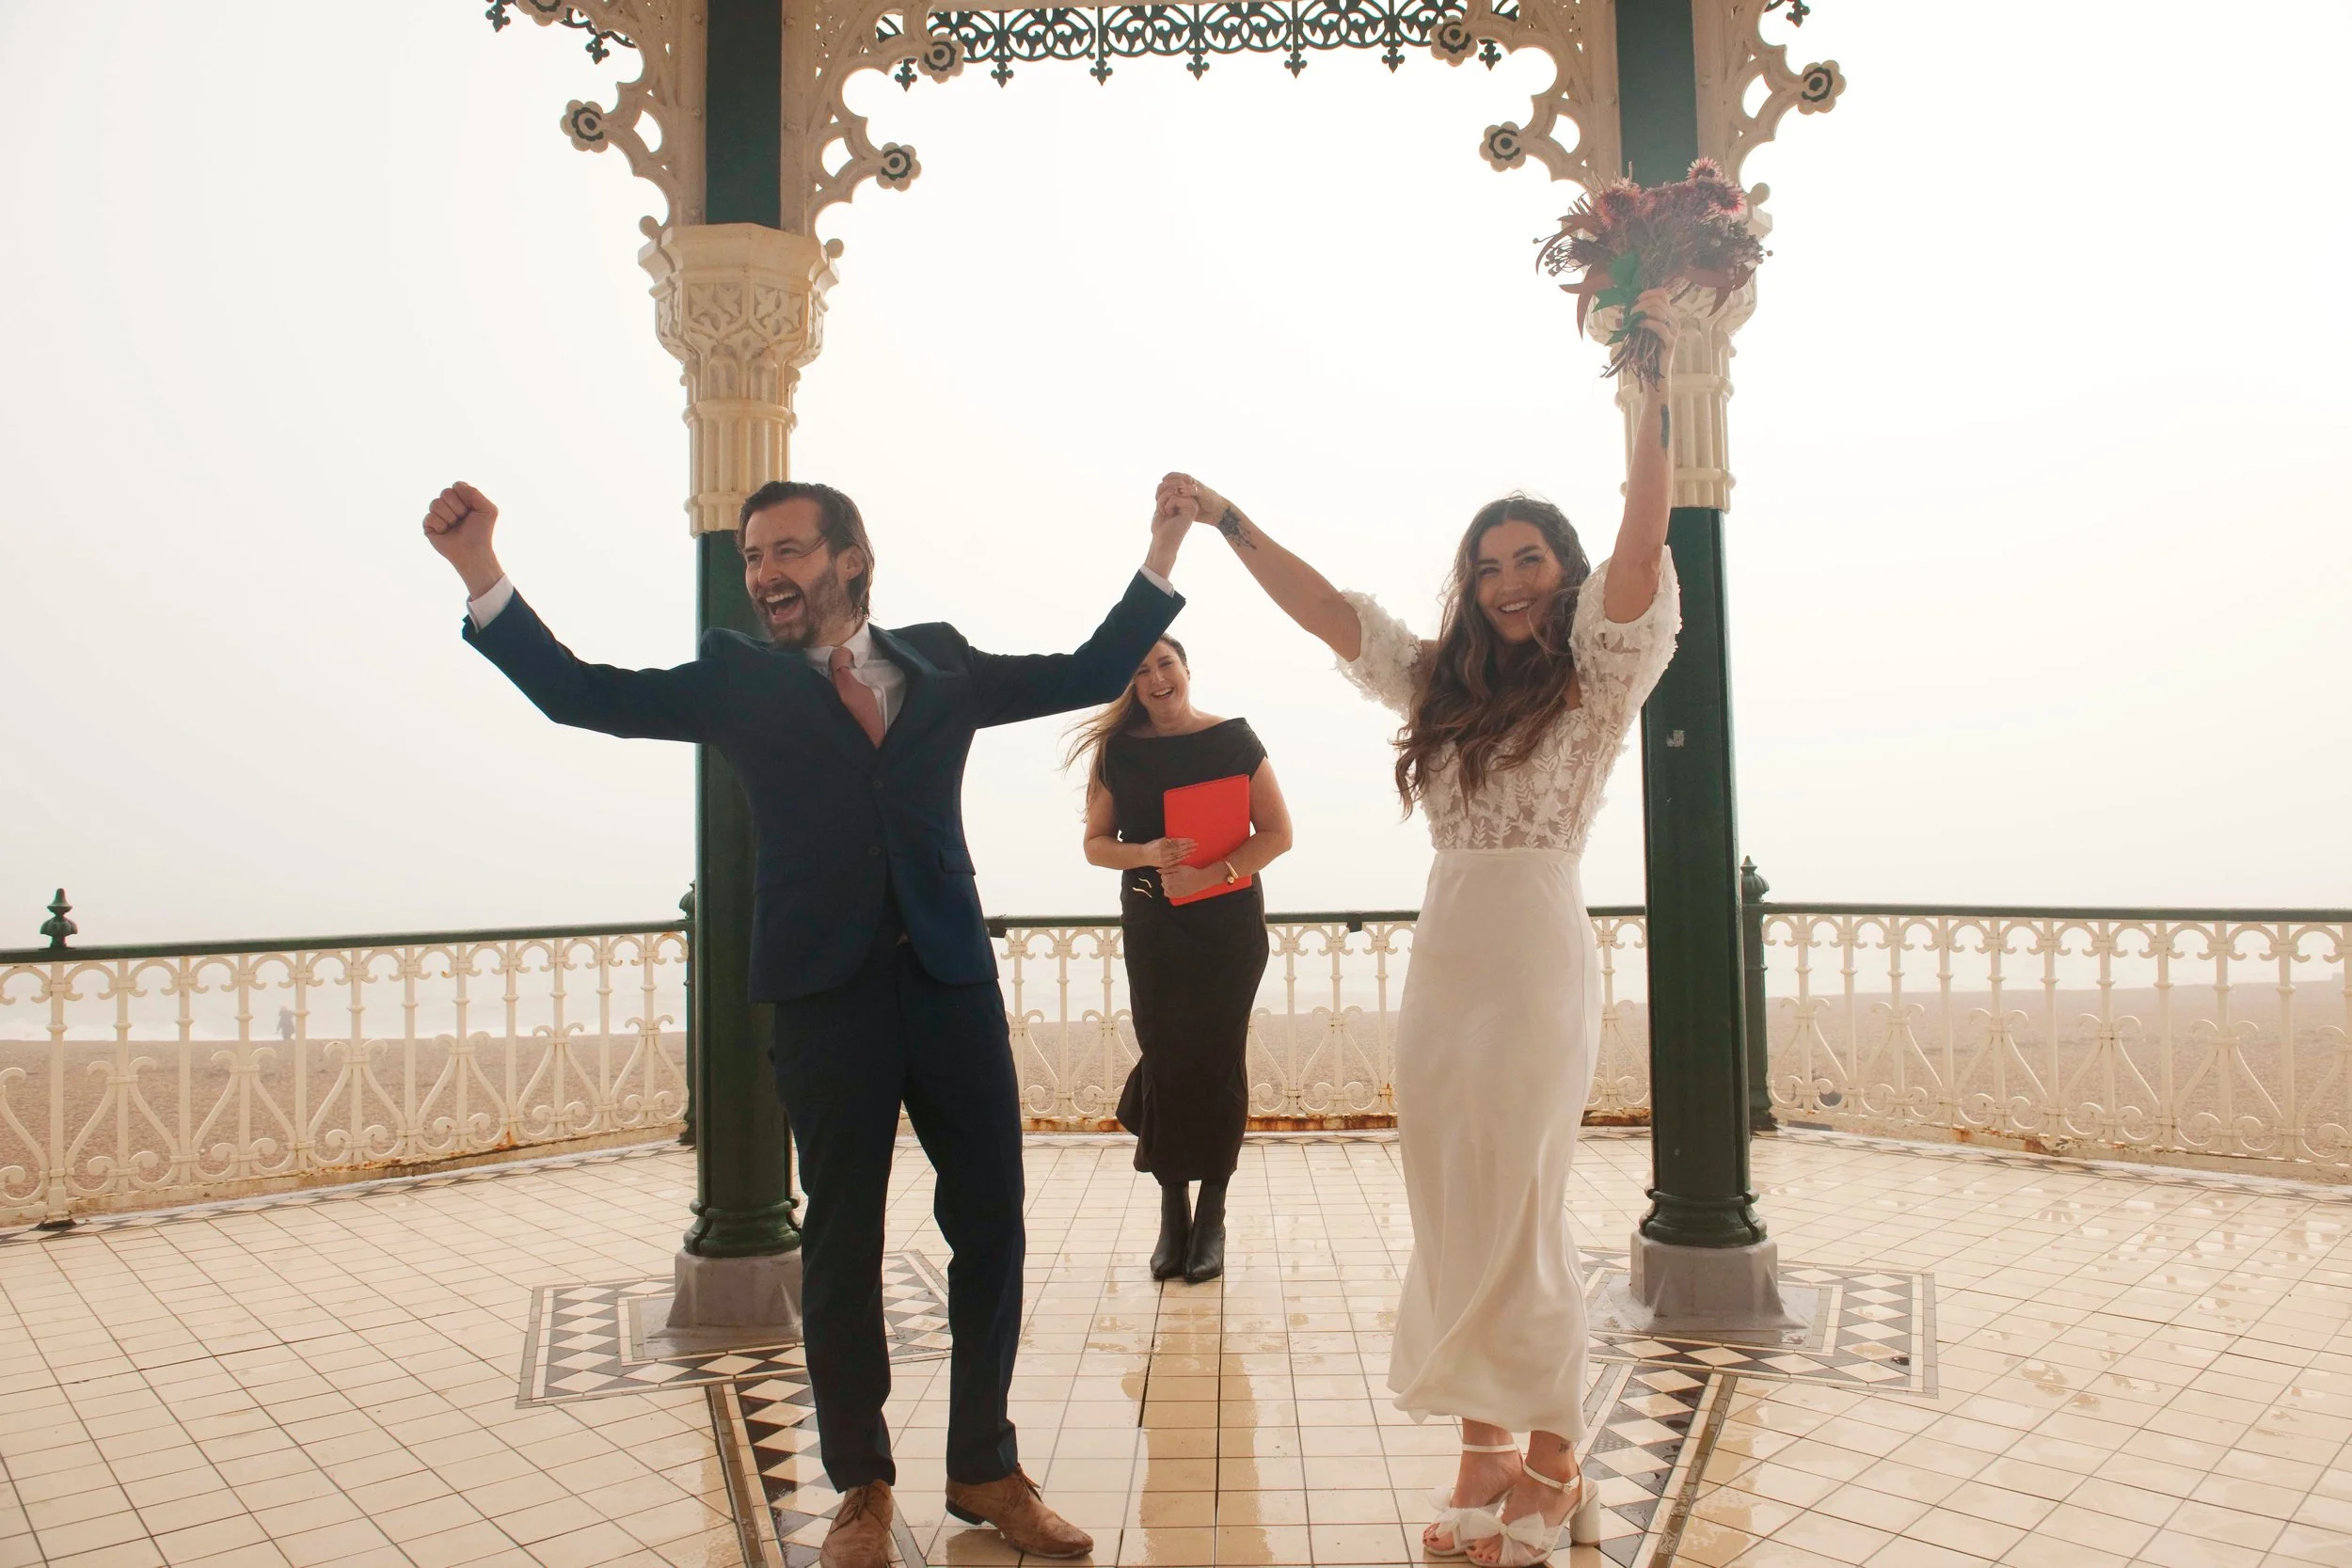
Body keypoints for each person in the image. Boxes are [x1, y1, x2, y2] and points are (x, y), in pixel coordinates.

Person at [420, 477, 1188, 1568]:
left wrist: (1161, 551)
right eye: (751, 558)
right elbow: (582, 693)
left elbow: (1081, 669)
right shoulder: (738, 681)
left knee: (995, 1225)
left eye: (785, 550)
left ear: (849, 557)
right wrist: (480, 570)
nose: (765, 575)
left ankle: (984, 1464)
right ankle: (861, 1484)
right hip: (825, 994)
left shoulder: (941, 662)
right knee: (841, 1239)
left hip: (949, 978)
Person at [1160, 289, 1683, 1567]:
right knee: (1452, 1198)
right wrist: (1223, 518)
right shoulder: (1441, 686)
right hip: (1448, 950)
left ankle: (1546, 1450)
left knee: (1519, 1195)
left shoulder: (1600, 675)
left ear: (1560, 577)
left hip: (1535, 945)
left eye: (1529, 561)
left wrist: (1649, 387)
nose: (1509, 581)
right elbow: (1327, 610)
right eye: (1491, 563)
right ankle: (1492, 1444)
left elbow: (1640, 538)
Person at [1068, 636, 1294, 1284]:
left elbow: (1278, 833)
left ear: (1187, 668)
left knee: (1217, 1060)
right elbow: (1094, 843)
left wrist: (1212, 873)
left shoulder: (1235, 739)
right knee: (1166, 1057)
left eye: (1166, 663)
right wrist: (1150, 853)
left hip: (1227, 928)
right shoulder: (1120, 751)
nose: (1157, 678)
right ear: (1132, 686)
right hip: (1153, 926)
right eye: (1141, 671)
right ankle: (1173, 1211)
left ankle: (1213, 1214)